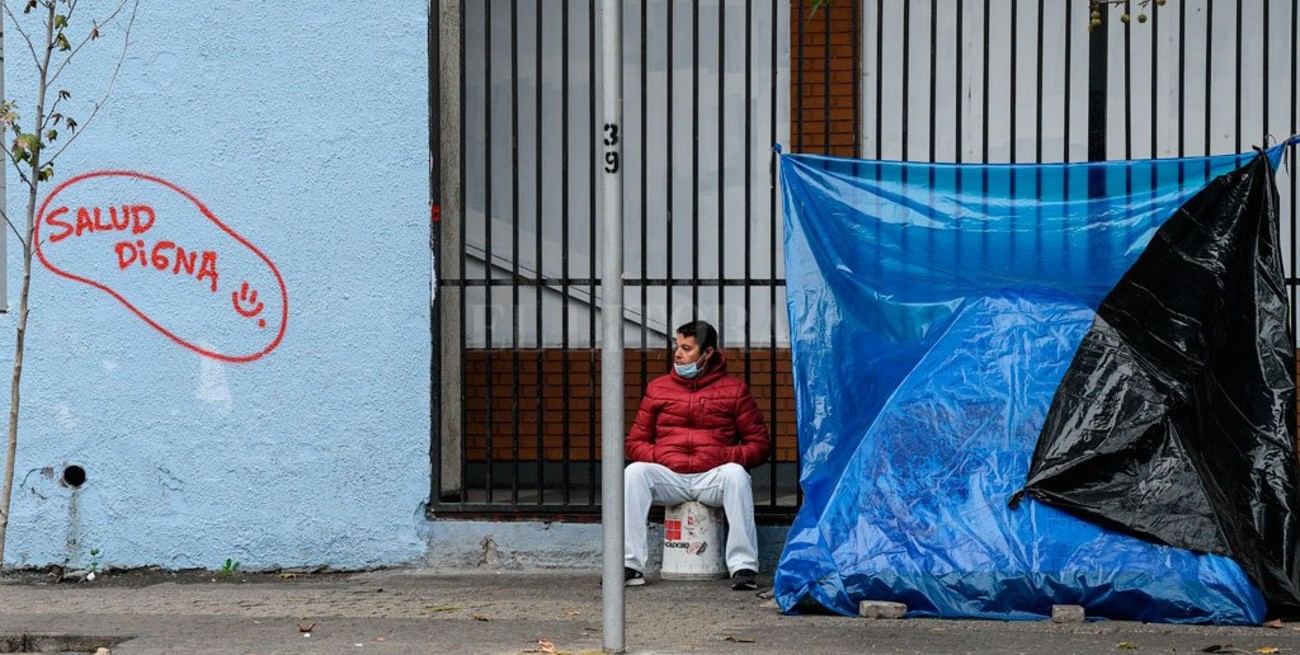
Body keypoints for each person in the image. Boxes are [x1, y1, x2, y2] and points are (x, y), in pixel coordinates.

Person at [623, 319, 771, 591]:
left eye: (687, 348)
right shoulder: (658, 388)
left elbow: (760, 445)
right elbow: (634, 442)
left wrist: (725, 455)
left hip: (711, 478)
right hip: (671, 477)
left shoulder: (734, 390)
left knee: (736, 474)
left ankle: (743, 567)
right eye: (677, 346)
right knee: (633, 473)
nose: (678, 354)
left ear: (708, 353)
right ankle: (630, 565)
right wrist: (660, 454)